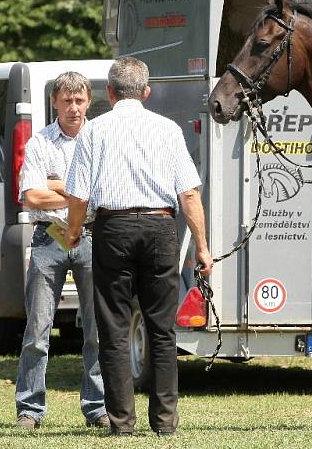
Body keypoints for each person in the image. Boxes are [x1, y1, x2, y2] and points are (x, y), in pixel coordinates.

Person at [64, 57, 213, 436]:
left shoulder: (93, 131)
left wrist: (74, 231)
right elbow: (189, 195)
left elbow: (78, 196)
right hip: (161, 226)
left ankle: (122, 423)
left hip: (112, 228)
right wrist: (202, 246)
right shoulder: (167, 129)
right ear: (146, 93)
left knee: (113, 326)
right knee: (161, 328)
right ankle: (164, 422)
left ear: (110, 93)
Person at [14, 72, 108, 430]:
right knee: (38, 328)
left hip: (90, 236)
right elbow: (31, 196)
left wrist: (55, 185)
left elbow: (104, 193)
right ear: (54, 101)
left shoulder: (100, 139)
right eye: (66, 100)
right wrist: (77, 192)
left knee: (96, 330)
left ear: (88, 102)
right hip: (49, 236)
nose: (73, 107)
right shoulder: (40, 142)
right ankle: (30, 409)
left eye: (79, 100)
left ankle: (97, 408)